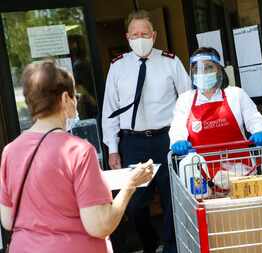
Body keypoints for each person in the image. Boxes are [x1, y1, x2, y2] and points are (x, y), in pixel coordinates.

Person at [0, 60, 153, 253]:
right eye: (75, 95)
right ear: (65, 98)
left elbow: (7, 219)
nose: (76, 100)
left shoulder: (10, 151)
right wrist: (130, 185)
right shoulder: (77, 151)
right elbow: (99, 225)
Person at [101, 10, 191, 253]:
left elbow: (188, 101)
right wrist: (113, 148)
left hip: (167, 140)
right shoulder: (118, 67)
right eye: (135, 34)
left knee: (173, 199)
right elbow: (110, 109)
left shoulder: (171, 62)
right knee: (135, 204)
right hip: (133, 143)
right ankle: (151, 244)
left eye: (145, 33)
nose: (140, 38)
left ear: (154, 35)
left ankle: (171, 247)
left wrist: (187, 138)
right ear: (127, 37)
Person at [169, 47, 262, 177]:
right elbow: (177, 126)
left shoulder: (236, 94)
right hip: (201, 174)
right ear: (192, 73)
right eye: (197, 69)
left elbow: (254, 118)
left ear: (218, 69)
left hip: (241, 170)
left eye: (209, 67)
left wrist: (260, 131)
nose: (203, 72)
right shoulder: (185, 99)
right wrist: (178, 140)